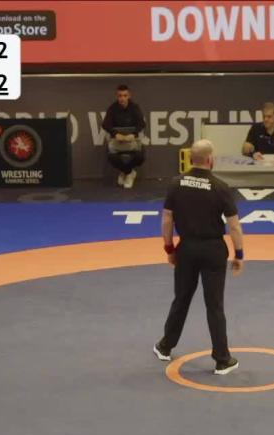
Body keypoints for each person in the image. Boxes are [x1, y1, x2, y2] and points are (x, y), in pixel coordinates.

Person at [154, 140, 245, 376]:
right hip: (213, 250)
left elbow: (167, 219)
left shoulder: (176, 184)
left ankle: (165, 346)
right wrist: (239, 254)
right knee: (214, 305)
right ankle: (222, 359)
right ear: (210, 159)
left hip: (187, 249)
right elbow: (234, 226)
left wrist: (169, 249)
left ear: (190, 158)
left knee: (181, 299)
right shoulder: (220, 187)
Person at [102, 84, 146, 189]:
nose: (122, 98)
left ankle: (125, 172)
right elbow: (105, 124)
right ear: (117, 96)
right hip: (118, 141)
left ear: (129, 96)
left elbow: (142, 124)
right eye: (120, 96)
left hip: (132, 141)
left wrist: (133, 134)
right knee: (111, 156)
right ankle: (129, 173)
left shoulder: (135, 108)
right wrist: (115, 134)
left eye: (125, 95)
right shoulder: (112, 108)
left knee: (140, 156)